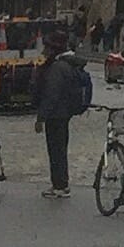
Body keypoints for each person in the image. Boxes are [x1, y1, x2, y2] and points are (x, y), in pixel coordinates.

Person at [31, 28, 88, 199]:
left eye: (47, 47)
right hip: (64, 113)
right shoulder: (68, 64)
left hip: (56, 115)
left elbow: (51, 94)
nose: (44, 51)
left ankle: (60, 185)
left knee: (56, 150)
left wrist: (41, 117)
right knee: (59, 149)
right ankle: (60, 184)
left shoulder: (57, 67)